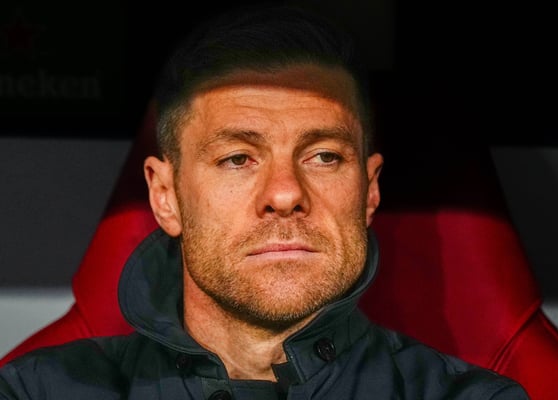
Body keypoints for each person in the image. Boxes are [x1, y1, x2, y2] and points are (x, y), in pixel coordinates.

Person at [0, 3, 529, 399]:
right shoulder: (33, 392)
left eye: (324, 156)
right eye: (237, 158)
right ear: (165, 197)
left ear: (369, 190)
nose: (285, 193)